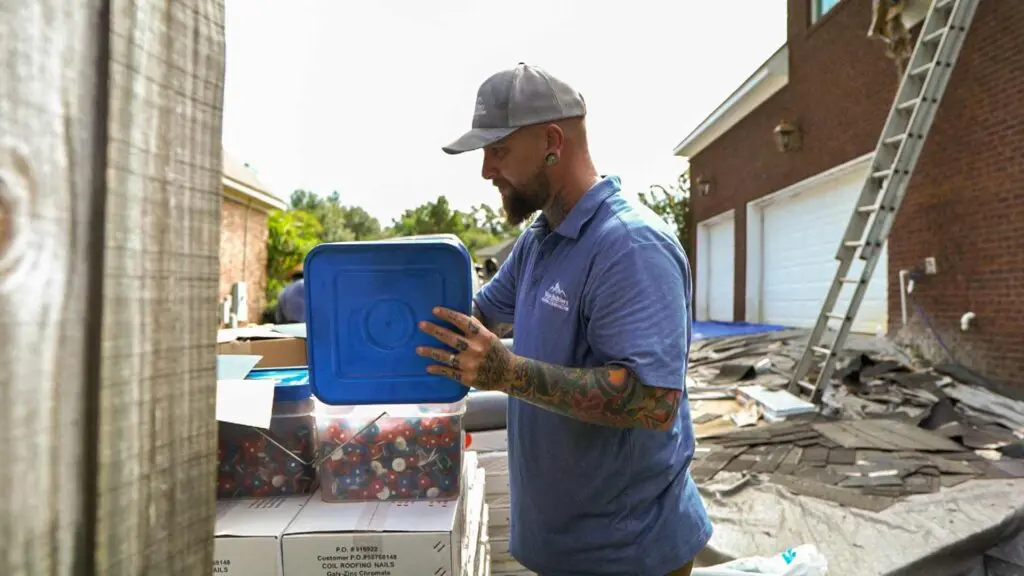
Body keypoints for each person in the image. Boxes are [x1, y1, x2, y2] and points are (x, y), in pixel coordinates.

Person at [416, 63, 711, 576]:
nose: (486, 170)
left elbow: (653, 402)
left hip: (629, 553)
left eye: (499, 149)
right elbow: (478, 316)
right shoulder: (539, 241)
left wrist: (509, 374)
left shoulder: (629, 246)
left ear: (552, 141)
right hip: (563, 546)